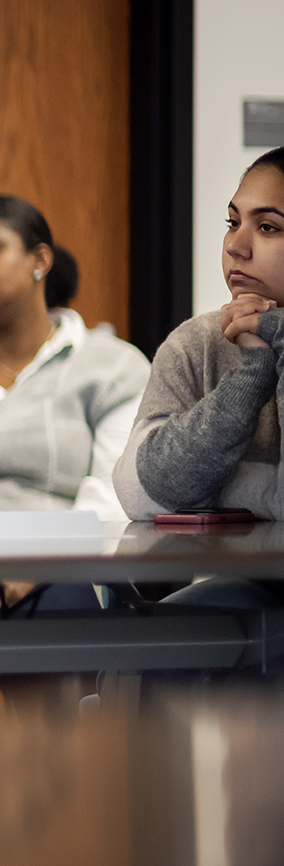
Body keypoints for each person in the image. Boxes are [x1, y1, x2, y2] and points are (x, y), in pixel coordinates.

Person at [115, 147, 284, 609]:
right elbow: (139, 491)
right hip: (244, 599)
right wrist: (251, 377)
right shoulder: (201, 342)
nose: (236, 246)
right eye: (234, 222)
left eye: (268, 227)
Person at [0, 195, 147, 520]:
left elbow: (113, 500)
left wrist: (38, 571)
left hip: (62, 563)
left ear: (39, 260)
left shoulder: (114, 368)